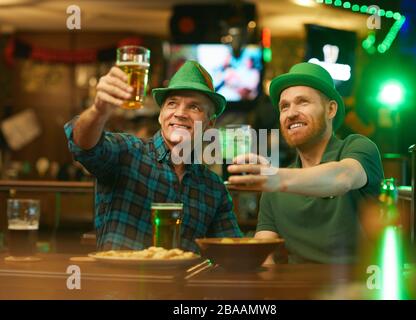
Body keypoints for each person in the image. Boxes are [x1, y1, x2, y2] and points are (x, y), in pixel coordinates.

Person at [64, 60, 242, 252]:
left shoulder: (213, 188)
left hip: (183, 282)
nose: (180, 113)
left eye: (194, 107)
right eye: (172, 104)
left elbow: (234, 253)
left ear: (209, 124)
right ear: (161, 115)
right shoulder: (127, 152)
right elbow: (83, 145)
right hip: (120, 280)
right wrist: (98, 111)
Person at [228, 62, 384, 264]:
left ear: (330, 109)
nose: (291, 113)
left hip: (359, 289)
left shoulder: (358, 147)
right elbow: (264, 254)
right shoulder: (274, 184)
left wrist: (276, 179)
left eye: (302, 102)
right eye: (284, 106)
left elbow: (343, 177)